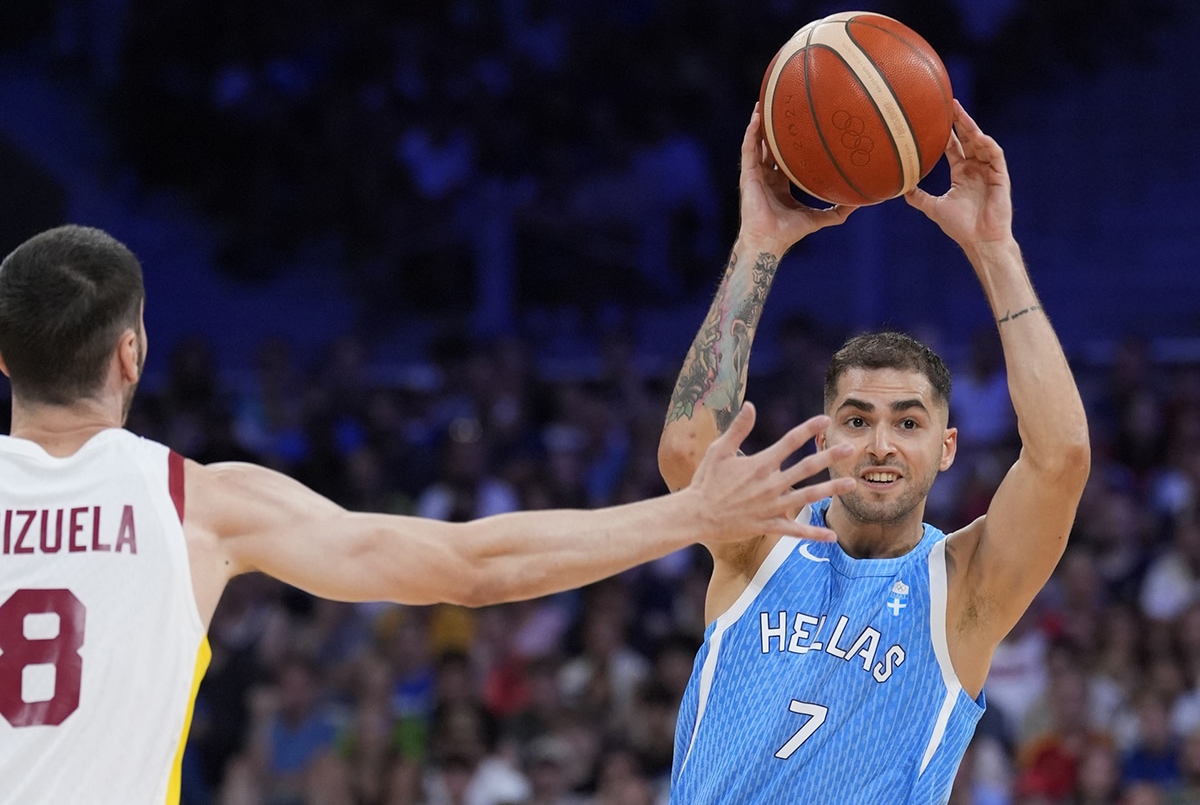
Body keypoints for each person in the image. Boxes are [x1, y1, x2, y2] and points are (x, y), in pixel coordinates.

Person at [0, 225, 857, 805]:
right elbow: (471, 567)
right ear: (131, 350)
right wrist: (694, 514)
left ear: (5, 358)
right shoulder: (195, 502)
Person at [657, 100, 1091, 804]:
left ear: (947, 448)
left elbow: (1062, 456)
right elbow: (686, 449)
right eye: (856, 420)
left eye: (908, 423)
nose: (881, 444)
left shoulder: (965, 592)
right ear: (825, 437)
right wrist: (758, 246)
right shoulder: (761, 543)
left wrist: (994, 249)